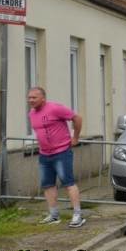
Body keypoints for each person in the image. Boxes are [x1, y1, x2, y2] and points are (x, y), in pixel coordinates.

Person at [27, 87, 85, 228]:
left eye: (34, 97)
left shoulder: (55, 108)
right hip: (44, 154)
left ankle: (78, 215)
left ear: (43, 98)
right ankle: (54, 215)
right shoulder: (32, 113)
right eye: (29, 97)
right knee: (47, 185)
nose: (31, 100)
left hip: (62, 152)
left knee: (68, 183)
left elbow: (76, 118)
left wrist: (75, 137)